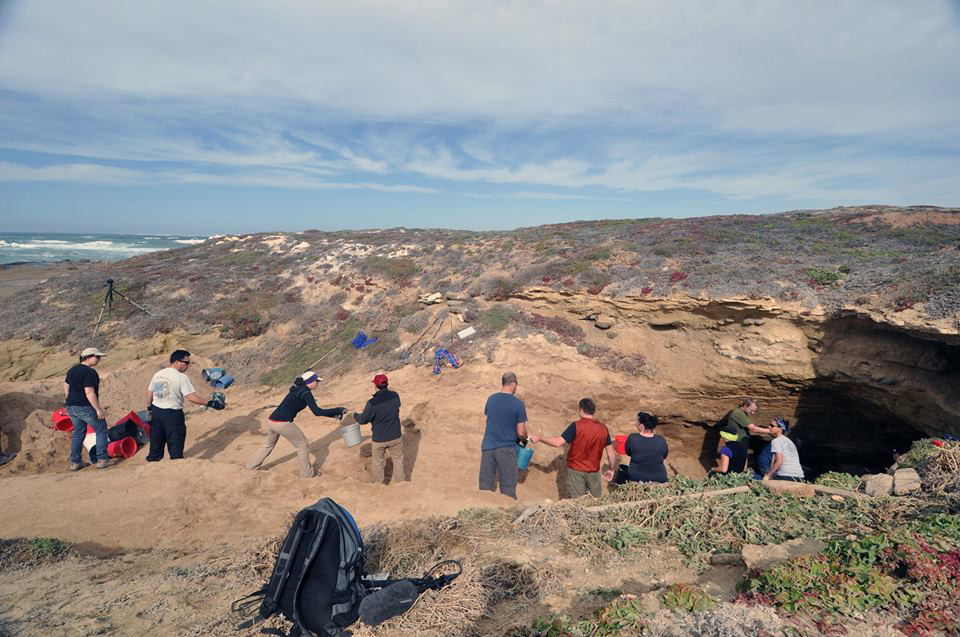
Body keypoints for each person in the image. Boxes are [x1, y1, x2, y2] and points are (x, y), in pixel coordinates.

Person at [248, 371, 346, 478]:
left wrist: (334, 415)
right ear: (310, 382)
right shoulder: (305, 392)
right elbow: (317, 412)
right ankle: (307, 475)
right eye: (316, 381)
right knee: (302, 445)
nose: (318, 383)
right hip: (282, 423)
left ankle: (250, 467)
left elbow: (296, 385)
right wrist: (337, 410)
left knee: (268, 445)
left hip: (272, 421)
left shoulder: (297, 387)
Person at [144, 350, 223, 461]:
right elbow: (191, 397)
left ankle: (152, 464)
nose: (188, 366)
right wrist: (210, 403)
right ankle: (176, 464)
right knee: (176, 441)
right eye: (187, 363)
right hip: (172, 414)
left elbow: (149, 392)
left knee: (156, 440)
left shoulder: (159, 374)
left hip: (156, 412)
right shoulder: (181, 377)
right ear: (178, 362)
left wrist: (149, 409)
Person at [530, 398, 616, 498]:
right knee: (595, 503)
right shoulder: (603, 428)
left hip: (576, 471)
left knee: (578, 504)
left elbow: (558, 443)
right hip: (594, 472)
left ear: (581, 410)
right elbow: (611, 454)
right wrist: (611, 469)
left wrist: (540, 438)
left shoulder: (576, 426)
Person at [479, 372, 528, 499]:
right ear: (513, 383)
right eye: (516, 384)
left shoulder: (491, 399)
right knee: (507, 488)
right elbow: (521, 432)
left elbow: (492, 419)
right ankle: (507, 517)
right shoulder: (518, 404)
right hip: (506, 448)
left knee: (485, 486)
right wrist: (525, 438)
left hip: (488, 447)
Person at [64, 347, 112, 470]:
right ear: (88, 357)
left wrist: (71, 400)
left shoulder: (72, 370)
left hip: (71, 406)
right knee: (101, 428)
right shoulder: (90, 372)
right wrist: (98, 409)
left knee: (79, 433)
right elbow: (89, 392)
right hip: (84, 406)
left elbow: (66, 387)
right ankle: (102, 459)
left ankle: (75, 462)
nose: (99, 359)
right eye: (97, 356)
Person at [354, 374, 404, 484]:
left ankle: (378, 484)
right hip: (395, 435)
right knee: (398, 461)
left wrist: (355, 415)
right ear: (387, 384)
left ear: (375, 385)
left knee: (378, 463)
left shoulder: (372, 403)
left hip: (379, 439)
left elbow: (363, 420)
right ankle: (401, 484)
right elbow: (396, 406)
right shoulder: (395, 395)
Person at [623, 412, 668, 483]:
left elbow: (628, 453)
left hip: (637, 479)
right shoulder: (661, 440)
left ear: (641, 425)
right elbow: (664, 456)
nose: (636, 424)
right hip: (660, 479)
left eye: (637, 422)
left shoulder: (632, 438)